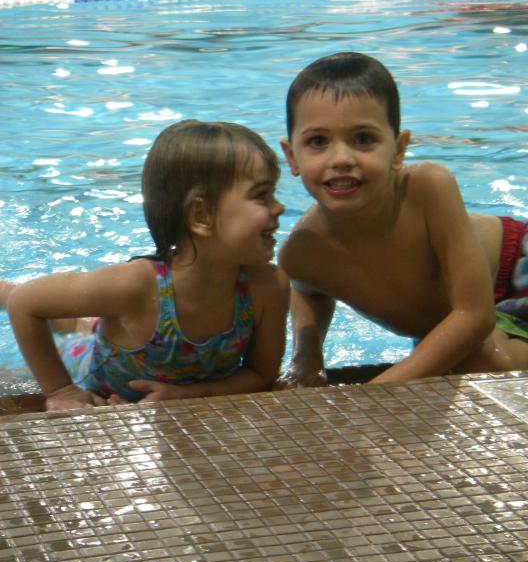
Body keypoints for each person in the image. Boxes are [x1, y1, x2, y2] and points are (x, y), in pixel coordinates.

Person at [278, 51, 528, 386]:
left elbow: (475, 316)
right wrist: (306, 355)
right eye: (318, 142)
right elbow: (307, 289)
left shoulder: (427, 187)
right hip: (455, 321)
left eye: (363, 139)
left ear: (398, 150)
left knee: (487, 363)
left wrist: (376, 392)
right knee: (464, 360)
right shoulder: (302, 253)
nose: (341, 158)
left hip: (516, 266)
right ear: (292, 156)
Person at [2, 120, 289, 410]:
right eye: (261, 195)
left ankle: (86, 323)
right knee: (63, 330)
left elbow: (260, 375)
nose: (279, 207)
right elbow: (24, 303)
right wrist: (61, 391)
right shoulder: (135, 286)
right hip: (86, 365)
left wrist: (185, 394)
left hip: (125, 331)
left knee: (90, 320)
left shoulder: (268, 288)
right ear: (201, 216)